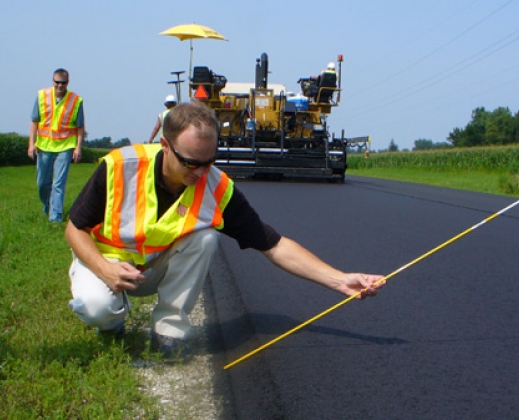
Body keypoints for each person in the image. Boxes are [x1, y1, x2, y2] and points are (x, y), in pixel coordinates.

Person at [65, 101, 384, 357]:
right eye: (191, 162)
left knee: (205, 238)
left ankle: (168, 330)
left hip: (153, 269)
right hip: (105, 264)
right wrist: (105, 269)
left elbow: (272, 244)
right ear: (165, 145)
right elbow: (74, 228)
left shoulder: (217, 187)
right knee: (96, 309)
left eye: (210, 160)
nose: (201, 172)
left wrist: (340, 280)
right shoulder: (120, 167)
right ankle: (112, 323)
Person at [28, 68, 85, 223]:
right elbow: (34, 121)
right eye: (57, 82)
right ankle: (47, 206)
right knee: (42, 183)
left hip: (65, 147)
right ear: (52, 81)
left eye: (63, 83)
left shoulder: (76, 100)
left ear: (68, 82)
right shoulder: (42, 96)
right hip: (45, 146)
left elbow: (80, 127)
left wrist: (78, 148)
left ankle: (56, 218)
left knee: (58, 184)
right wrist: (31, 144)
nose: (60, 86)